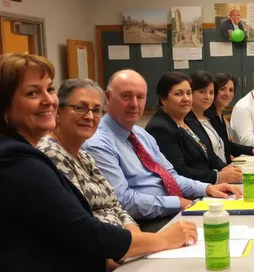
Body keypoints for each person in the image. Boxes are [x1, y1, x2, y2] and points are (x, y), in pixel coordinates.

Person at [0, 54, 198, 272]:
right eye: (33, 92)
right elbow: (86, 231)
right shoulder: (11, 160)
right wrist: (162, 240)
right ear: (2, 105)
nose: (48, 100)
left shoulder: (19, 153)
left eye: (50, 89)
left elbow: (95, 215)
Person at [84, 69, 241, 232]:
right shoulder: (98, 143)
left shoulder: (141, 134)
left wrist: (208, 188)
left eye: (140, 97)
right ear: (107, 98)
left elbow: (171, 177)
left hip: (171, 210)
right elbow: (123, 201)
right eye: (126, 96)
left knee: (231, 224)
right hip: (142, 223)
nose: (135, 104)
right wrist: (179, 203)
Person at [145, 71, 242, 184]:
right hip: (190, 192)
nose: (186, 98)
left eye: (189, 93)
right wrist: (217, 177)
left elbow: (210, 155)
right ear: (163, 99)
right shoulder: (160, 128)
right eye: (178, 94)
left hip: (208, 184)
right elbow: (179, 171)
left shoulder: (190, 121)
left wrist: (226, 168)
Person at [205, 73, 254, 163]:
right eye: (222, 89)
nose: (227, 94)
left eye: (231, 90)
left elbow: (227, 145)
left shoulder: (220, 115)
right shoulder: (208, 117)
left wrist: (252, 150)